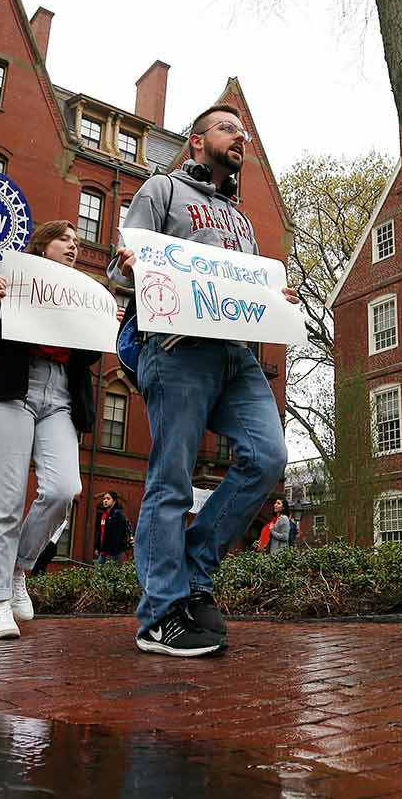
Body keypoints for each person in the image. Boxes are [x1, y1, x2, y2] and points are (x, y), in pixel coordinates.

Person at [110, 103, 294, 657]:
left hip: (235, 356)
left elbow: (249, 287)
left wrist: (272, 301)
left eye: (243, 132)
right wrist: (129, 261)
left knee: (268, 457)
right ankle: (161, 614)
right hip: (175, 347)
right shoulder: (161, 191)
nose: (239, 138)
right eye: (227, 129)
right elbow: (122, 267)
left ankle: (193, 567)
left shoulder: (239, 219)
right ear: (196, 141)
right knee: (172, 479)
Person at [0, 220, 99, 641]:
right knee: (6, 501)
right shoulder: (14, 278)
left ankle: (17, 569)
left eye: (77, 242)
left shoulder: (80, 291)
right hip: (14, 391)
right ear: (43, 246)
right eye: (65, 239)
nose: (73, 246)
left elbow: (88, 359)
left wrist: (101, 321)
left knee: (65, 489)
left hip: (61, 395)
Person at [94, 492, 129, 564]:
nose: (105, 501)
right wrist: (97, 547)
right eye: (104, 499)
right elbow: (100, 533)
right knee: (98, 572)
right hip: (103, 551)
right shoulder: (103, 515)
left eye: (108, 499)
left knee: (108, 573)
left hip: (113, 552)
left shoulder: (118, 515)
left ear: (114, 501)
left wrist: (114, 549)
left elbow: (119, 534)